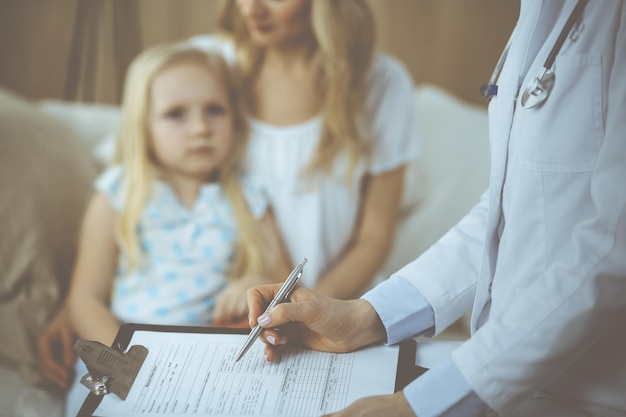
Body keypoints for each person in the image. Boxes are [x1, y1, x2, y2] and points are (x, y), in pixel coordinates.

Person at [246, 1, 626, 416]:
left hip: (591, 394)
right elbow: (505, 209)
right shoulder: (538, 13)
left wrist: (419, 405)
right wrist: (364, 316)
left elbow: (613, 250)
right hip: (509, 374)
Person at [61, 42, 290, 416]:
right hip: (123, 361)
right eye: (176, 114)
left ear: (235, 118)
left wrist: (253, 281)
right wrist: (124, 362)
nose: (200, 128)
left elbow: (283, 282)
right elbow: (84, 299)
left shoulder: (248, 197)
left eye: (214, 110)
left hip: (210, 363)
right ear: (144, 127)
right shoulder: (118, 193)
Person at [191, 0, 421, 299]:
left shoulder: (380, 82)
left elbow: (374, 237)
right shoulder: (209, 64)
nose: (251, 9)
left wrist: (311, 309)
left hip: (342, 302)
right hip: (234, 305)